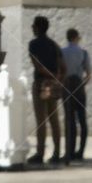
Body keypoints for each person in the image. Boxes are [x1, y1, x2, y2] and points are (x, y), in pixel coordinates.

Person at [27, 16, 64, 165]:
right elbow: (63, 66)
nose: (32, 28)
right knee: (54, 120)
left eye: (33, 26)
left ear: (37, 27)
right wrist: (56, 78)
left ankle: (40, 153)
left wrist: (49, 75)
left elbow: (37, 65)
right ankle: (56, 153)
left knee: (41, 121)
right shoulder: (54, 45)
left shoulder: (33, 44)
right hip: (53, 83)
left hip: (41, 84)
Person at [61, 27, 91, 162]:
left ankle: (69, 151)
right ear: (76, 37)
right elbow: (89, 74)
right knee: (82, 119)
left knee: (69, 119)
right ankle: (81, 151)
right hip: (78, 85)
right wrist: (82, 84)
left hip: (66, 85)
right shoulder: (83, 53)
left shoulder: (62, 52)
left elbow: (60, 71)